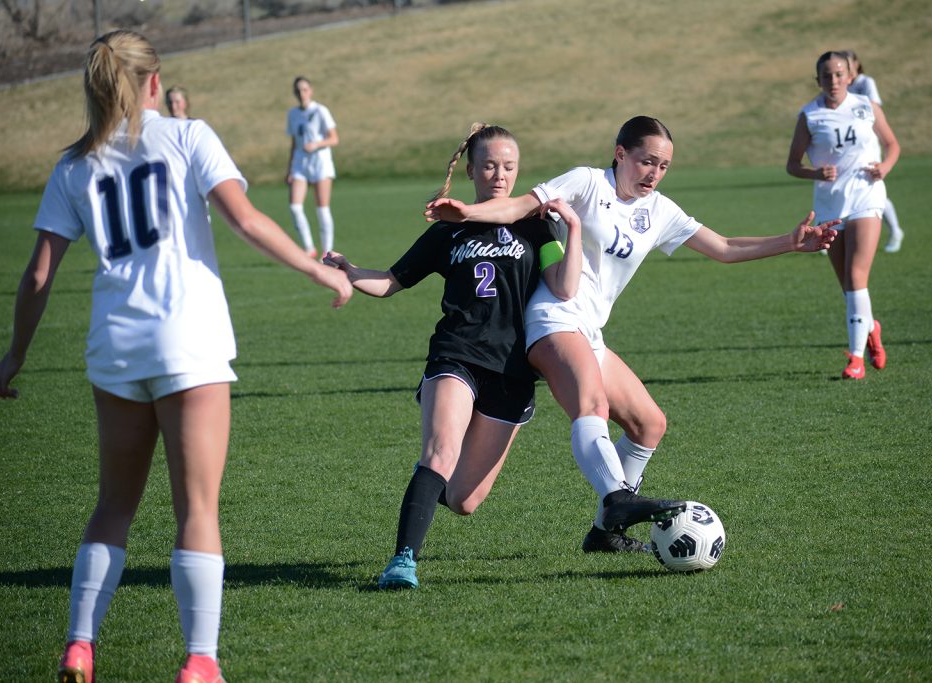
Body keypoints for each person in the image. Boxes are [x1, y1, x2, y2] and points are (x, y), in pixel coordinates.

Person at [0, 30, 352, 683]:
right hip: (189, 341)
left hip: (115, 346)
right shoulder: (188, 136)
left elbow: (39, 274)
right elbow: (245, 220)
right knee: (197, 509)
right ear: (155, 82)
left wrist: (15, 353)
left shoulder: (74, 165)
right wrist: (317, 269)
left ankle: (79, 645)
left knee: (113, 505)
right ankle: (200, 660)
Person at [426, 116, 839, 553]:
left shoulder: (659, 210)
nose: (654, 173)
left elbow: (723, 247)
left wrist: (790, 242)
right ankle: (617, 498)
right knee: (593, 405)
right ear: (620, 154)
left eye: (663, 166)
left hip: (589, 330)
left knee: (649, 425)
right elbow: (518, 206)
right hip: (554, 318)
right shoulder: (587, 183)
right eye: (647, 161)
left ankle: (605, 532)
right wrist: (468, 212)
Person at [323, 123, 585, 589]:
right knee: (441, 452)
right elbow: (391, 282)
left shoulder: (537, 225)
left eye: (509, 167)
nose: (499, 175)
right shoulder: (450, 230)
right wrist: (349, 270)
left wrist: (575, 228)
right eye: (489, 166)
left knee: (464, 499)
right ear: (470, 171)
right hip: (456, 354)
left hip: (512, 371)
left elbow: (564, 287)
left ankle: (427, 487)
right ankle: (403, 560)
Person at [787, 51, 901, 380]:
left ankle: (856, 359)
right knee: (848, 286)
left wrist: (885, 167)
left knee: (855, 276)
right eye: (827, 75)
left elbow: (892, 145)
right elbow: (792, 165)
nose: (834, 80)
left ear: (851, 76)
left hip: (867, 197)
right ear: (818, 80)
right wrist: (815, 173)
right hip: (830, 206)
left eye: (839, 74)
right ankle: (871, 327)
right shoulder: (810, 115)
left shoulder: (867, 106)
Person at [842, 49, 905, 253]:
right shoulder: (840, 84)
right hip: (847, 145)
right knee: (844, 187)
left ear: (856, 64)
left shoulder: (865, 82)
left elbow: (874, 107)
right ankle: (832, 233)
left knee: (872, 188)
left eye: (849, 63)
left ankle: (895, 230)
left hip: (866, 143)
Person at [286, 75, 339, 258]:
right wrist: (290, 168)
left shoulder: (320, 111)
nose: (301, 93)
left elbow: (334, 138)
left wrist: (316, 144)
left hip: (320, 163)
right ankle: (308, 247)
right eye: (298, 90)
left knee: (322, 208)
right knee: (295, 207)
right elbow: (294, 142)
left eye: (305, 89)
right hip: (300, 164)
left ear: (311, 91)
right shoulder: (292, 114)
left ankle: (327, 252)